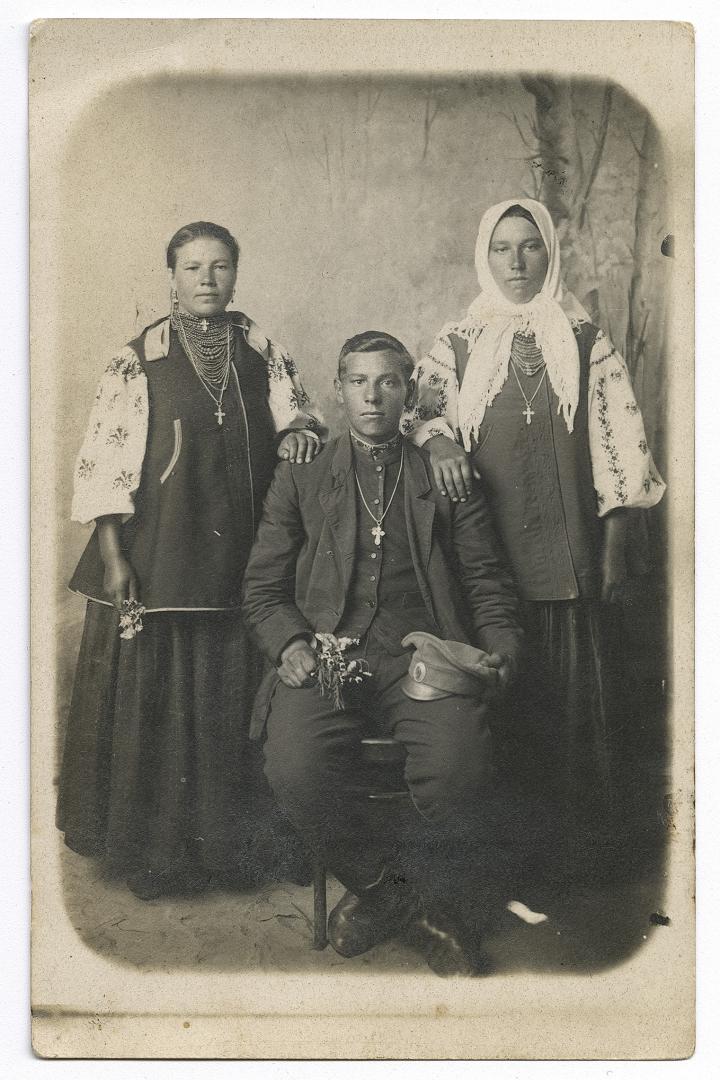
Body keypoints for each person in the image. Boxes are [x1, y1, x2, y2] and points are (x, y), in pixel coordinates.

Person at [242, 331, 522, 975]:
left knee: (459, 767)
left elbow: (486, 582)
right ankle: (392, 895)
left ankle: (417, 898)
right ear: (339, 393)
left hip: (422, 657)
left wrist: (501, 654)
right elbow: (263, 584)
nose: (373, 396)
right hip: (326, 657)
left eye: (388, 382)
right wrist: (288, 642)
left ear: (411, 393)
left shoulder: (444, 473)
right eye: (358, 382)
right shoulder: (305, 470)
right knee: (294, 767)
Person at [57, 221, 323, 899]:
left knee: (237, 690)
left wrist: (299, 437)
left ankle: (239, 849)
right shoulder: (137, 358)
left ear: (236, 272)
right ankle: (161, 853)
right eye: (192, 267)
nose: (207, 279)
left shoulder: (262, 347)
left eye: (220, 266)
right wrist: (116, 558)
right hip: (162, 549)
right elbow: (104, 465)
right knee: (167, 695)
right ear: (171, 276)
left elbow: (300, 417)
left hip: (242, 549)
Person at [401, 197, 666, 873]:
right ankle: (505, 857)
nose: (516, 263)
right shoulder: (456, 343)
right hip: (490, 564)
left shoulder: (584, 341)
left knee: (570, 709)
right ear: (484, 257)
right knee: (500, 702)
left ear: (549, 255)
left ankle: (572, 856)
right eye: (502, 248)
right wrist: (439, 447)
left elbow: (619, 451)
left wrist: (611, 551)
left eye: (530, 247)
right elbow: (419, 414)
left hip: (570, 554)